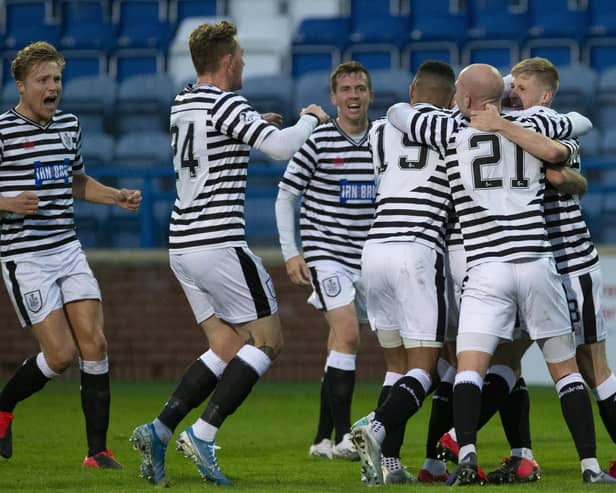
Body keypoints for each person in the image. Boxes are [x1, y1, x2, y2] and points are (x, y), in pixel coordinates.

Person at [385, 63, 611, 485]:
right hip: (537, 262)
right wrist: (504, 119)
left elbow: (402, 114)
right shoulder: (535, 121)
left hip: (486, 267)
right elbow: (570, 136)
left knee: (469, 367)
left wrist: (478, 111)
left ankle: (465, 457)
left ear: (465, 98)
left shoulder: (451, 131)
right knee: (566, 369)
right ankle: (591, 467)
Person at [129, 20, 329, 487]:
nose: (242, 64)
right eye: (239, 58)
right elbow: (280, 150)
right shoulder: (227, 102)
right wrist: (310, 120)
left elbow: (220, 142)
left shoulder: (183, 101)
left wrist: (259, 126)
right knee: (268, 341)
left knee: (225, 344)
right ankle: (203, 433)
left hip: (181, 243)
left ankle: (159, 429)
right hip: (219, 241)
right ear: (225, 61)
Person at [469, 57, 616, 483]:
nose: (513, 93)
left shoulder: (546, 123)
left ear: (545, 97)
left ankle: (460, 444)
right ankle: (489, 449)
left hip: (571, 263)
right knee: (508, 359)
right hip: (529, 263)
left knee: (591, 366)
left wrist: (569, 177)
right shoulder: (512, 127)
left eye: (522, 87)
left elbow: (568, 150)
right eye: (511, 86)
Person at [0, 41, 142, 468]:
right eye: (43, 80)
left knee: (95, 343)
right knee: (61, 357)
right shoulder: (3, 131)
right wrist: (7, 202)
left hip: (67, 248)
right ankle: (4, 407)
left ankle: (97, 451)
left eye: (57, 79)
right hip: (25, 256)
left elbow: (76, 182)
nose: (52, 87)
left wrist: (115, 196)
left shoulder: (69, 126)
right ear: (21, 86)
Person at [349, 60, 456, 486]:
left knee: (397, 366)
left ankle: (388, 465)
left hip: (374, 248)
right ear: (451, 98)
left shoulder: (379, 131)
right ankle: (375, 426)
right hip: (417, 248)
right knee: (427, 367)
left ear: (413, 92)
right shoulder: (454, 126)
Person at [275, 61, 374, 464]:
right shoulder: (317, 141)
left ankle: (321, 438)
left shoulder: (383, 139)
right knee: (349, 335)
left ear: (370, 94)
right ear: (333, 98)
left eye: (360, 88)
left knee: (338, 345)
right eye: (346, 89)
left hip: (369, 258)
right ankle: (347, 437)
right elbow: (285, 196)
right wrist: (291, 252)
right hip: (327, 254)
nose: (353, 95)